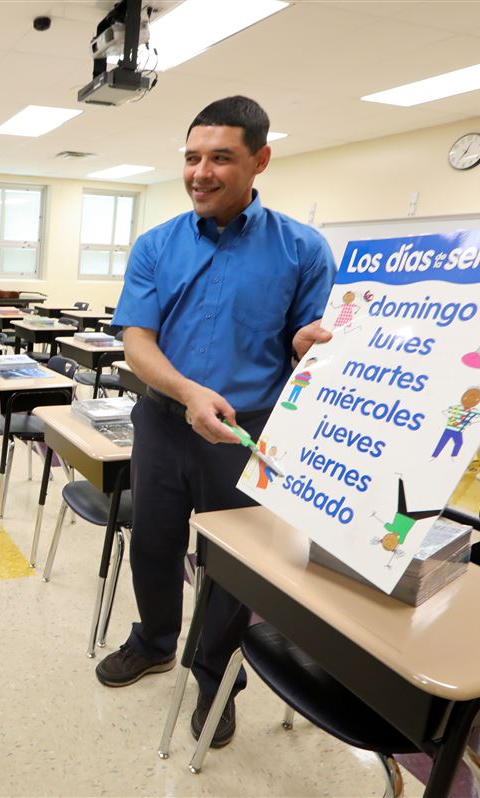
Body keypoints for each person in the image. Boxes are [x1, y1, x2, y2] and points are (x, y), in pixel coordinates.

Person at [101, 97, 336, 748]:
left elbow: (301, 340)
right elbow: (137, 343)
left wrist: (309, 345)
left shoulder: (303, 249)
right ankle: (152, 641)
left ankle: (216, 679)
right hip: (163, 420)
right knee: (152, 540)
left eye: (220, 158)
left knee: (231, 564)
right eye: (192, 158)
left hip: (246, 431)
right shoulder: (157, 245)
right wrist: (186, 392)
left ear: (260, 160)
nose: (201, 172)